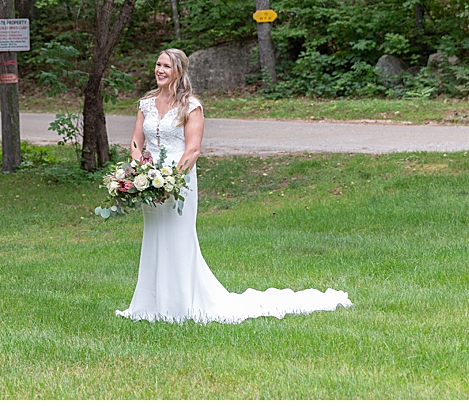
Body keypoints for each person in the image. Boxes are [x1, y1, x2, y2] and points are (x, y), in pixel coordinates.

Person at [116, 48, 352, 324]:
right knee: (154, 238)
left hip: (178, 182)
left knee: (179, 240)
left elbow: (192, 150)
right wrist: (140, 170)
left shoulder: (190, 106)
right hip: (151, 183)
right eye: (157, 64)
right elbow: (136, 141)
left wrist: (171, 182)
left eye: (166, 66)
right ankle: (150, 305)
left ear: (179, 71)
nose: (159, 70)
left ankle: (180, 307)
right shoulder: (146, 104)